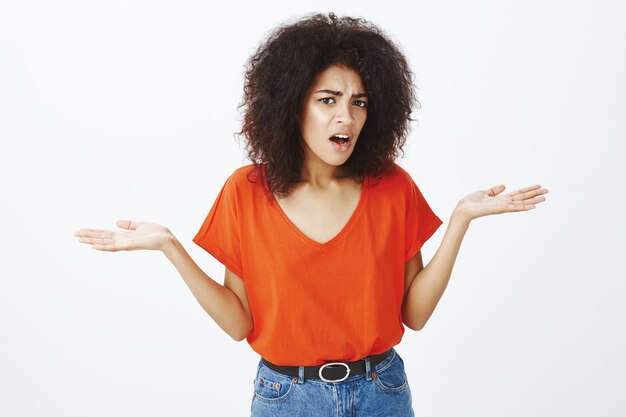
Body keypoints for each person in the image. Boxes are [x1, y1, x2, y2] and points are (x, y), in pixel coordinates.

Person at [73, 12, 548, 417]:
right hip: (286, 397)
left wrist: (461, 218)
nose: (347, 117)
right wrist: (170, 248)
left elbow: (415, 315)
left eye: (358, 102)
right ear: (291, 106)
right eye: (328, 100)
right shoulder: (246, 191)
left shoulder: (392, 188)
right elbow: (240, 325)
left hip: (382, 391)